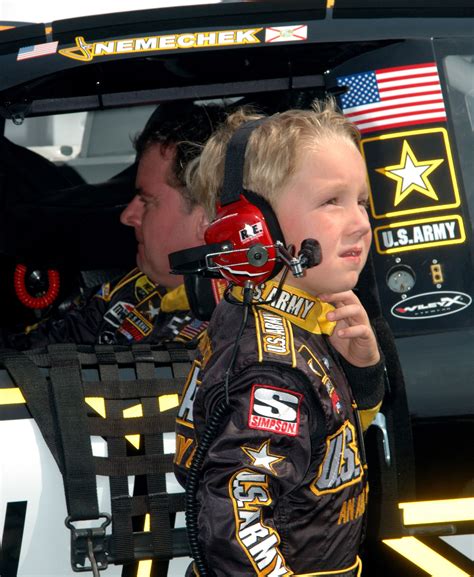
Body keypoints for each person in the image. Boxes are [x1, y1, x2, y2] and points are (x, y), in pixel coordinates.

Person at [174, 100, 385, 576]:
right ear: (253, 226)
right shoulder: (274, 366)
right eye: (332, 201)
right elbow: (233, 516)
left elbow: (330, 449)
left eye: (362, 202)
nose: (359, 223)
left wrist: (362, 374)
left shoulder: (299, 324)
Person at [8, 101, 226, 348]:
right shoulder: (136, 289)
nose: (127, 215)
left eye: (147, 201)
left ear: (207, 220)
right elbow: (36, 348)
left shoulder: (236, 331)